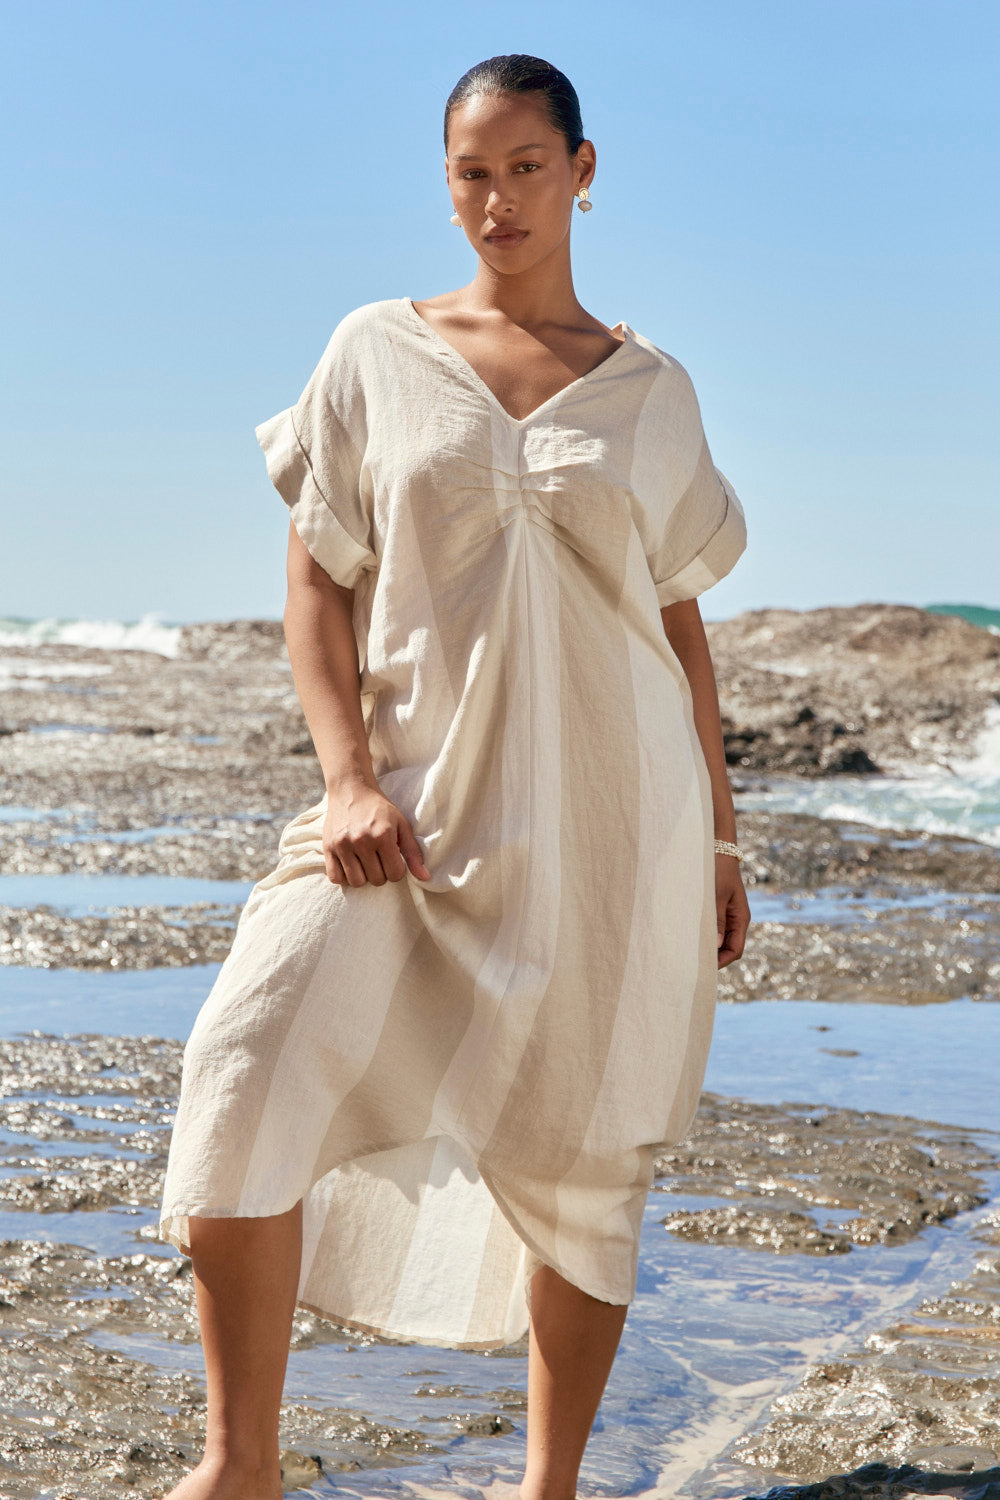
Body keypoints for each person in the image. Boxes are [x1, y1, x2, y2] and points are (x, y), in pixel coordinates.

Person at [157, 51, 751, 1500]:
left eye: (526, 168)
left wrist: (725, 847)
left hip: (615, 833)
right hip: (403, 827)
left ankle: (546, 1492)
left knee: (584, 1173)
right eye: (471, 173)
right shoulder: (376, 351)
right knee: (243, 1073)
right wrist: (347, 778)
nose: (497, 200)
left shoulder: (654, 392)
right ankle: (242, 1465)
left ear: (584, 170)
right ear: (447, 182)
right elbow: (316, 597)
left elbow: (679, 631)